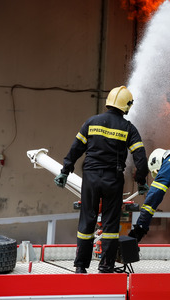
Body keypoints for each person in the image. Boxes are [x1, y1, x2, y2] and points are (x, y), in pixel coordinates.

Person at [54, 86, 149, 273]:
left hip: (90, 177)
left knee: (87, 220)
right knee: (111, 224)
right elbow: (140, 158)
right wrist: (141, 181)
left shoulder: (91, 122)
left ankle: (81, 266)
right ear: (127, 106)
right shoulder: (129, 128)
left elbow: (75, 149)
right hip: (113, 180)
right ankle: (106, 266)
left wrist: (65, 171)